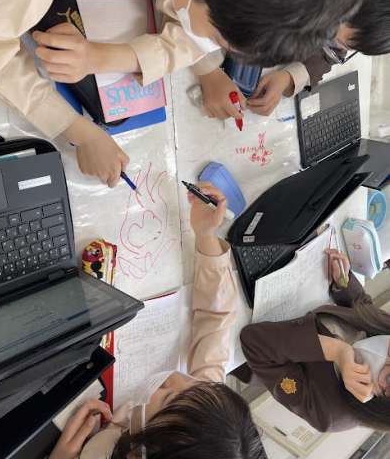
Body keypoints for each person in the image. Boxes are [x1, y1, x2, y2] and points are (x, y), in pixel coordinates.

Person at [0, 0, 384, 187]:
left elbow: (190, 23)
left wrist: (109, 57)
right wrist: (77, 130)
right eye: (216, 39)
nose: (205, 46)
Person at [49, 184, 267, 459]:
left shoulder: (98, 453)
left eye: (167, 397)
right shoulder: (204, 417)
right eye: (197, 385)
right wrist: (205, 235)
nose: (175, 378)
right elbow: (217, 317)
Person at [241, 249, 390, 433]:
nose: (383, 352)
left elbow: (253, 341)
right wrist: (344, 282)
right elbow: (364, 307)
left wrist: (337, 352)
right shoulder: (386, 330)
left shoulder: (330, 412)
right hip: (282, 288)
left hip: (241, 336)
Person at [244, 0, 390, 118]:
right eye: (329, 26)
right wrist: (210, 70)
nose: (319, 37)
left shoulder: (355, 22)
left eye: (341, 43)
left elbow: (328, 56)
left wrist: (289, 78)